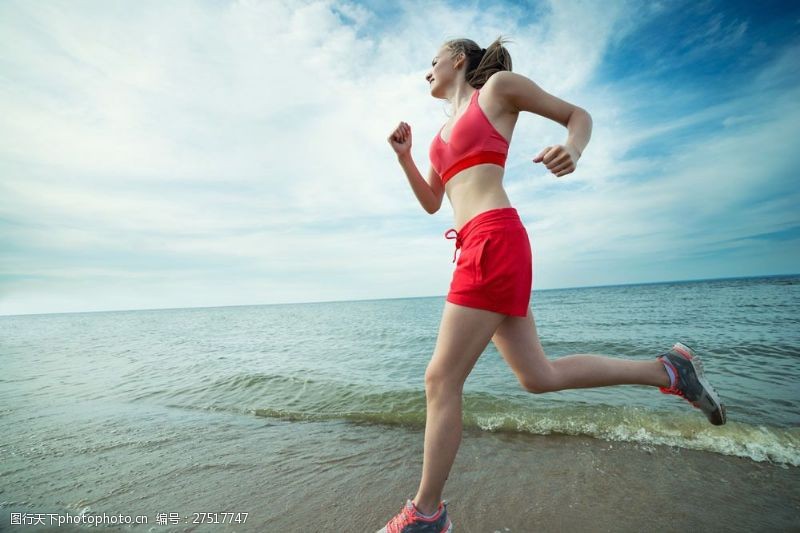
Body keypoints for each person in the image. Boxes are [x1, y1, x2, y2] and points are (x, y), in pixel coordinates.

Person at [380, 36, 726, 533]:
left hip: (495, 240)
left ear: (458, 59)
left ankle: (426, 514)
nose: (425, 71)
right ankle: (669, 371)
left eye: (430, 61)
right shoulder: (438, 135)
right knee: (537, 376)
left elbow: (577, 114)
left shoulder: (496, 90)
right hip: (473, 244)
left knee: (440, 379)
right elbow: (434, 202)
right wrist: (405, 158)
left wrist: (573, 148)